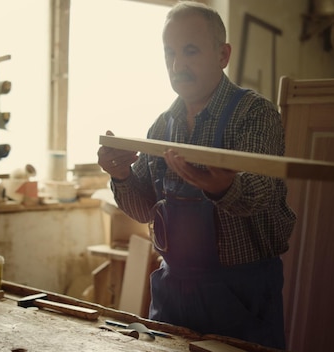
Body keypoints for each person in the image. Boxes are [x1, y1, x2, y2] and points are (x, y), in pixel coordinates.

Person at [97, 1, 295, 349]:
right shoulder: (162, 125)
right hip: (173, 296)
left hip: (241, 298)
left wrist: (226, 187)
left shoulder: (254, 113)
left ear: (223, 55)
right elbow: (143, 207)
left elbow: (261, 190)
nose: (177, 65)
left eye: (190, 51)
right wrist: (123, 175)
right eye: (169, 53)